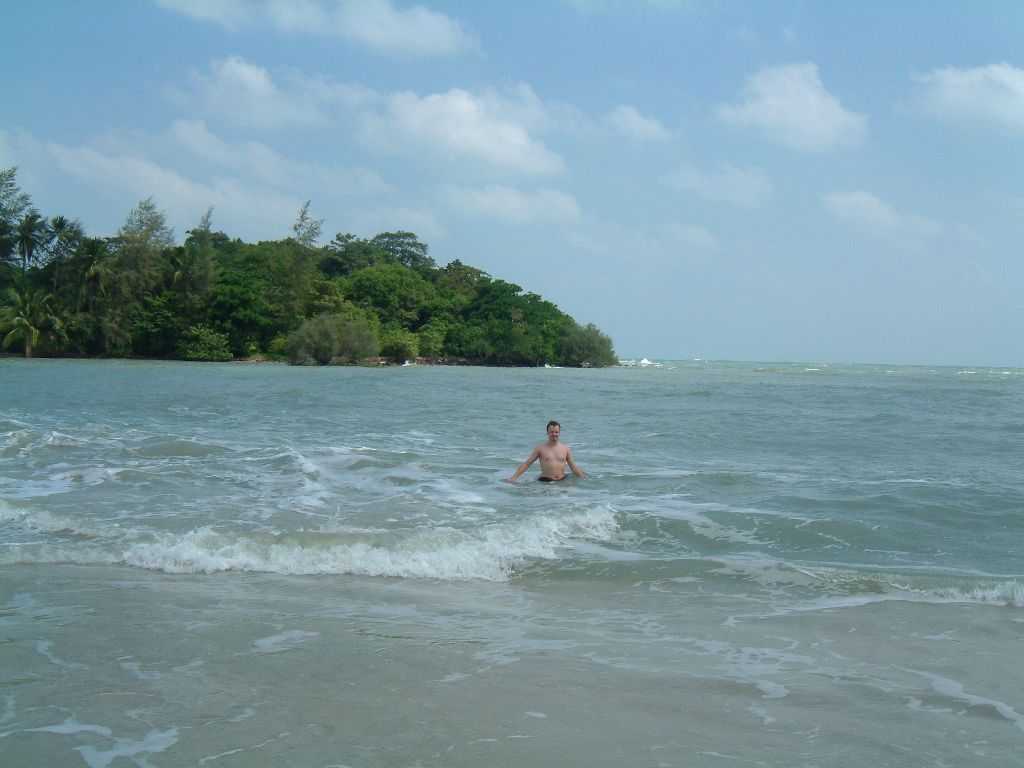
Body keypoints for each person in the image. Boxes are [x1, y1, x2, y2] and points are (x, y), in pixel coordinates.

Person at [506, 420, 586, 483]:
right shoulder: (540, 448)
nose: (554, 434)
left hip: (562, 481)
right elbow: (527, 464)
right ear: (547, 433)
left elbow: (573, 467)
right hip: (546, 482)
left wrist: (583, 478)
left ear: (559, 433)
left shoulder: (565, 449)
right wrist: (514, 477)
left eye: (556, 432)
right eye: (552, 432)